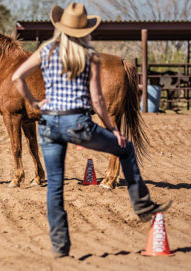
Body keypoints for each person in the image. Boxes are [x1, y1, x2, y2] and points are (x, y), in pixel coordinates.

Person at [12, 2, 171, 258]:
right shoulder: (90, 57)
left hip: (49, 124)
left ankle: (60, 248)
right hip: (77, 123)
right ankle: (142, 206)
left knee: (54, 187)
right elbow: (97, 101)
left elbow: (16, 77)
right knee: (126, 149)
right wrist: (113, 129)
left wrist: (33, 102)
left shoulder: (47, 50)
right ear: (84, 30)